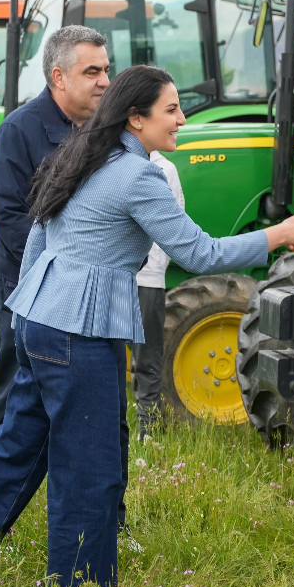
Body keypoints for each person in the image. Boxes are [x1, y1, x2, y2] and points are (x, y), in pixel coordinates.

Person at [0, 65, 294, 587]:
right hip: (77, 333)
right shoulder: (137, 176)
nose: (182, 119)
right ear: (135, 117)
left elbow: (39, 233)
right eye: (170, 110)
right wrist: (279, 234)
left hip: (39, 319)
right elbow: (200, 254)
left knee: (22, 444)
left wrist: (25, 306)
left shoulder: (84, 156)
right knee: (90, 466)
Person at [0, 25, 110, 451]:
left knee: (88, 406)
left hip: (84, 294)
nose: (105, 82)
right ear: (59, 77)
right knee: (13, 397)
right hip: (23, 286)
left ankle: (97, 508)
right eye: (92, 72)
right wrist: (60, 270)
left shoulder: (103, 134)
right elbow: (9, 217)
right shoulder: (19, 131)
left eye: (106, 70)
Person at [132, 149, 182, 439]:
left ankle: (147, 429)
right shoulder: (106, 157)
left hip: (148, 277)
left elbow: (175, 221)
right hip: (114, 276)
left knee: (147, 356)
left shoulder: (165, 170)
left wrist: (156, 265)